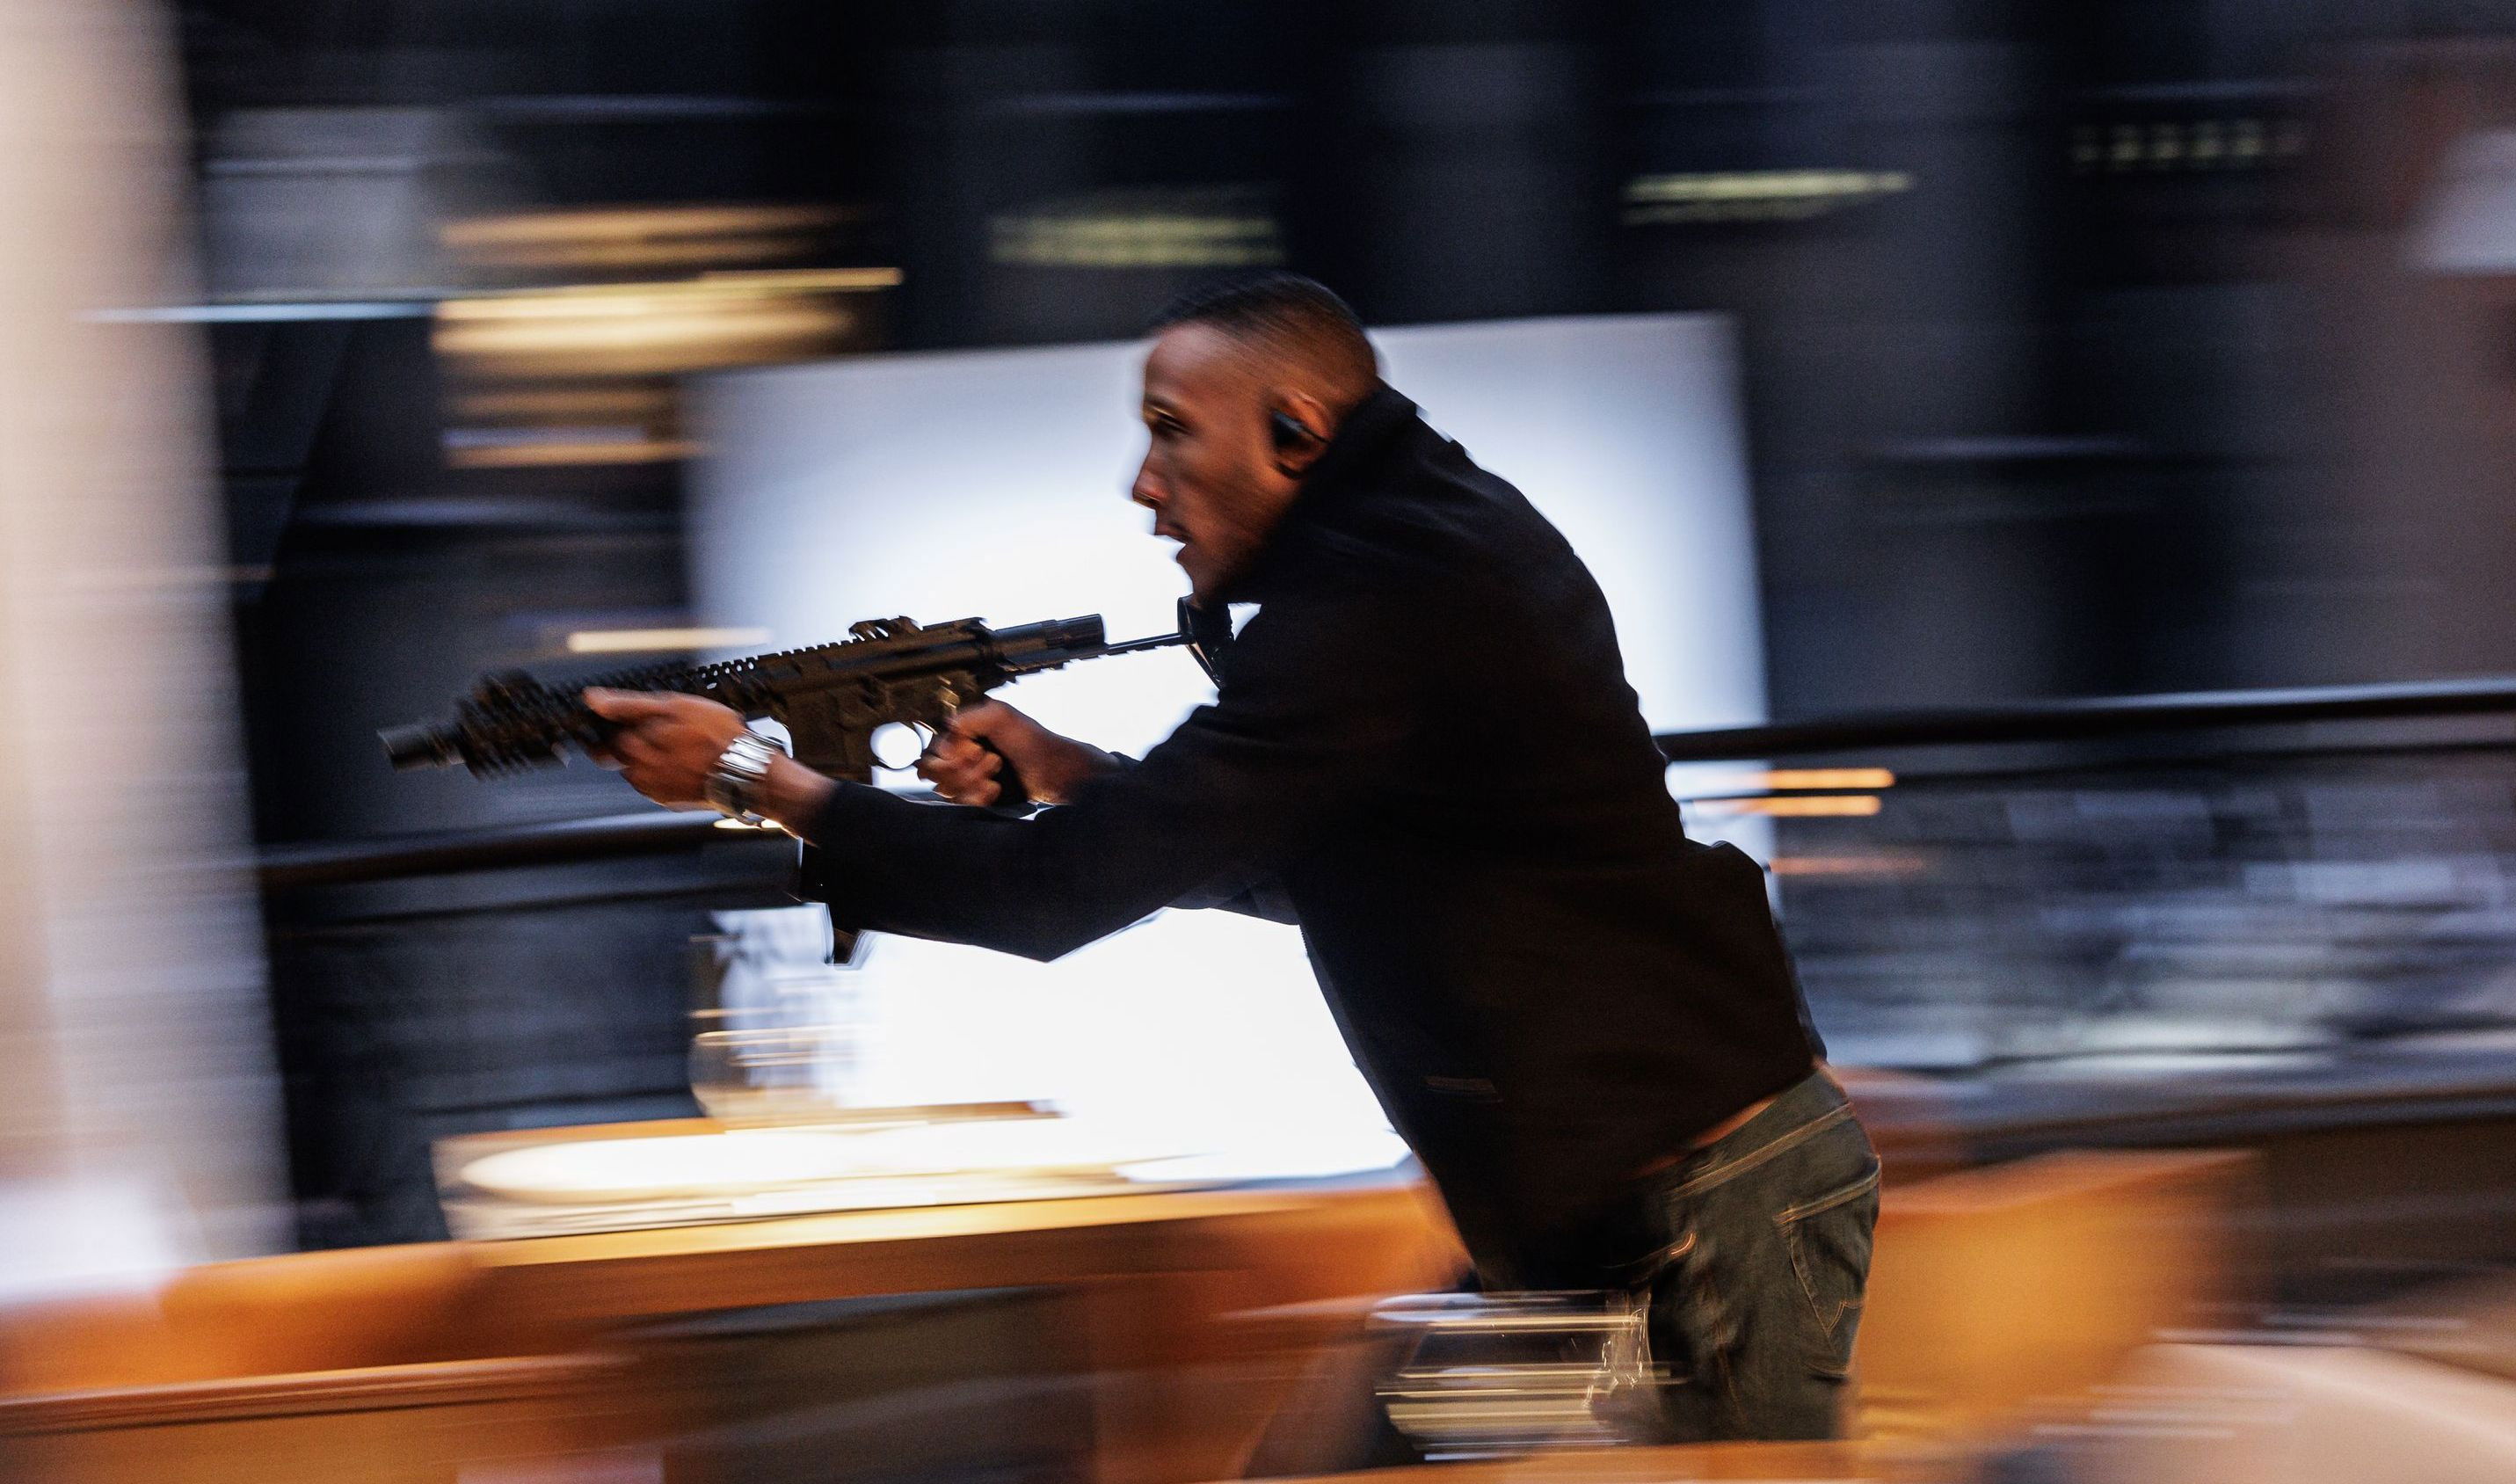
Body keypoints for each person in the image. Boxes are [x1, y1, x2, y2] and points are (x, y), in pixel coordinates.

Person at [585, 273, 1879, 1447]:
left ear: (1295, 432)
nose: (1142, 485)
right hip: (1590, 1236)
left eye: (1170, 431)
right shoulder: (1410, 552)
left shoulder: (1384, 594)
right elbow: (1323, 868)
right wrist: (1072, 773)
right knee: (1336, 1469)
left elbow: (1055, 896)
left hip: (1702, 1219)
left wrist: (752, 777)